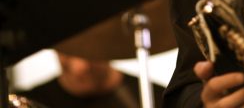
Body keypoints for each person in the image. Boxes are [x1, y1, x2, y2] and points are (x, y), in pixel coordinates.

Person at [18, 52, 165, 108]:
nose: (80, 67)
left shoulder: (163, 100)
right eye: (68, 51)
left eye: (88, 51)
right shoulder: (25, 102)